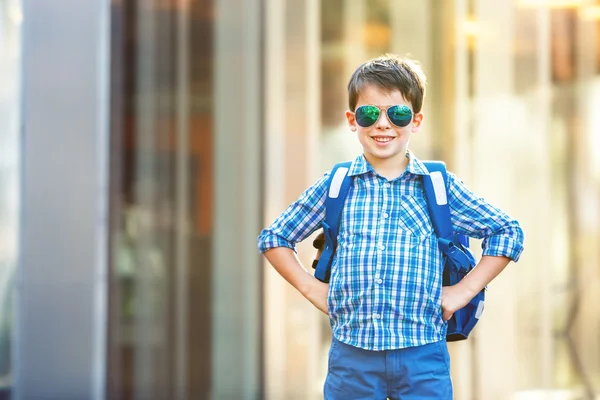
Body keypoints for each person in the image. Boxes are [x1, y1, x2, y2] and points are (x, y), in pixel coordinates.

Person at [257, 53, 525, 399]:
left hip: (422, 353)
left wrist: (463, 291)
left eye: (397, 113)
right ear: (353, 120)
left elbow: (507, 232)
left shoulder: (438, 187)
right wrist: (311, 289)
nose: (383, 124)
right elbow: (275, 237)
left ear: (416, 120)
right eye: (370, 113)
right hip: (352, 355)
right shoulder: (336, 185)